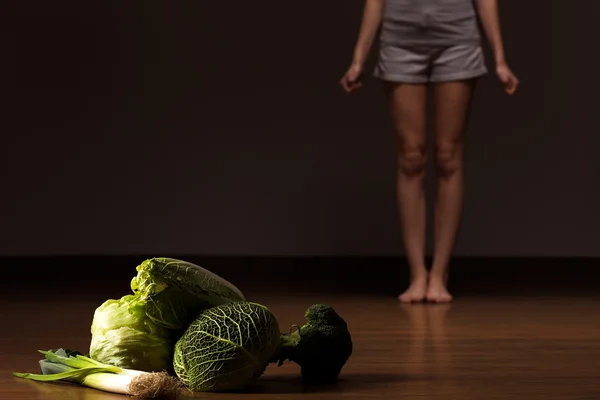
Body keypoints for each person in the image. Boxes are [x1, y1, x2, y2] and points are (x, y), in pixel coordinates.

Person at [340, 0, 519, 303]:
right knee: (411, 156)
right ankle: (416, 274)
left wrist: (500, 58)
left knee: (448, 155)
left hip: (457, 39)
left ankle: (439, 273)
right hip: (400, 40)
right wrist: (358, 59)